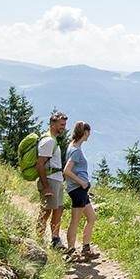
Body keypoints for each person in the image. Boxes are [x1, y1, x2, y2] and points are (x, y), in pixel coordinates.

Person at [64, 120, 98, 259]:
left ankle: (85, 248)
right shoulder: (76, 151)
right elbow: (67, 170)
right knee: (75, 220)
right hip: (78, 189)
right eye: (89, 132)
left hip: (80, 190)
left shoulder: (72, 146)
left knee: (91, 217)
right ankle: (71, 251)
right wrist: (82, 183)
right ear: (85, 132)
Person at [36, 111, 69, 249]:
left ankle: (55, 239)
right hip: (50, 180)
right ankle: (38, 239)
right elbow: (40, 164)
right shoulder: (48, 141)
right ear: (52, 124)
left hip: (56, 179)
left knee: (58, 209)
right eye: (61, 124)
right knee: (46, 211)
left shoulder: (53, 140)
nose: (63, 127)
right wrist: (46, 186)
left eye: (64, 125)